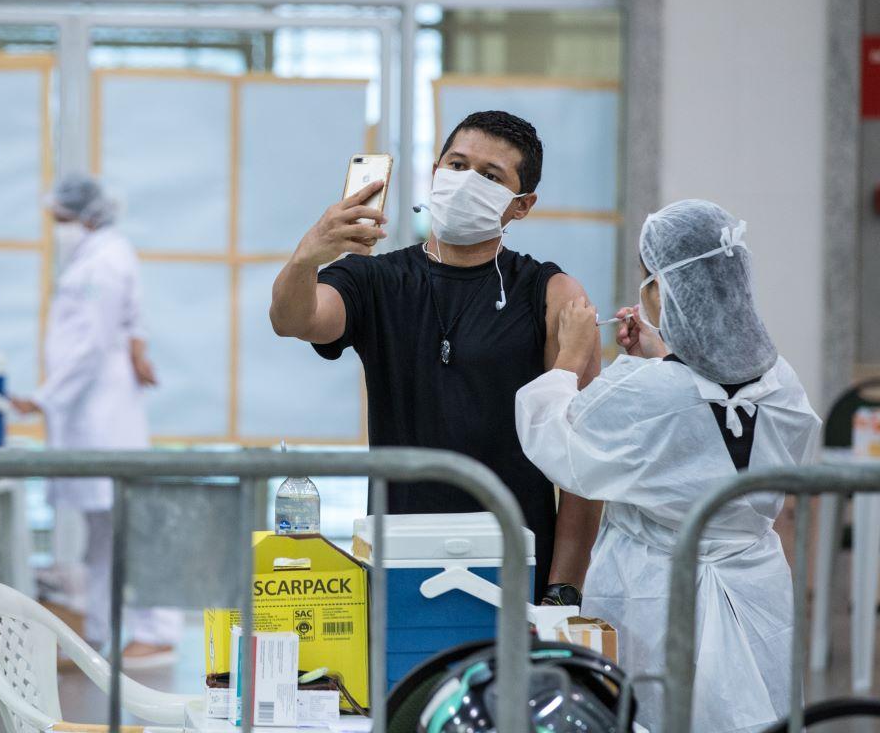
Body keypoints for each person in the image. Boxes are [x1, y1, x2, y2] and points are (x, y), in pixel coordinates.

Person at [270, 110, 603, 603]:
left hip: (514, 563)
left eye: (491, 177)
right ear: (434, 172)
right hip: (400, 557)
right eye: (457, 165)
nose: (466, 182)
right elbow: (293, 319)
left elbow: (582, 462)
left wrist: (564, 587)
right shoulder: (375, 279)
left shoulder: (551, 294)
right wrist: (307, 257)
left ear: (522, 205)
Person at [514, 199, 822, 732]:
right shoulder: (782, 383)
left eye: (649, 278)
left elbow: (551, 436)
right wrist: (662, 354)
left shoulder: (643, 392)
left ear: (667, 288)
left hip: (655, 594)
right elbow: (708, 422)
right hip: (756, 591)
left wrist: (570, 356)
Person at [13, 173, 181, 668]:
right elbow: (128, 322)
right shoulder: (100, 256)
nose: (57, 229)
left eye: (62, 219)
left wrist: (43, 398)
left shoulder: (104, 261)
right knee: (103, 533)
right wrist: (137, 345)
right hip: (91, 411)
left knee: (127, 524)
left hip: (103, 414)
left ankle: (158, 631)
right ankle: (98, 629)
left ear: (86, 216)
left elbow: (89, 345)